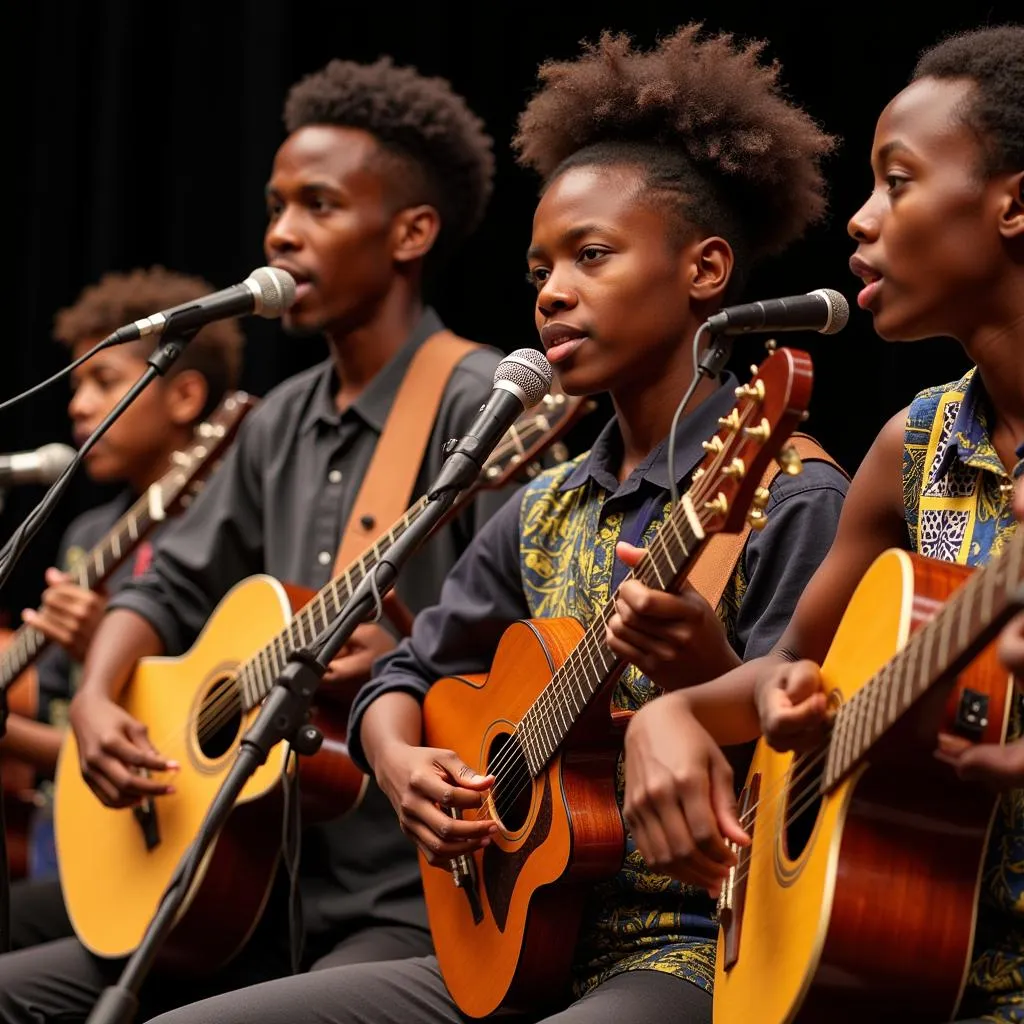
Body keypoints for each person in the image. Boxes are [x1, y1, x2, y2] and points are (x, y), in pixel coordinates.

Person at [144, 24, 849, 1024]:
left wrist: (702, 667)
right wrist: (397, 759)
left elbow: (818, 771)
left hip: (693, 948)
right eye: (539, 270)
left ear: (705, 269)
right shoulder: (546, 501)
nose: (553, 291)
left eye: (591, 257)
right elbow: (405, 672)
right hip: (504, 935)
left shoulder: (787, 493)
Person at [0, 55, 508, 1021]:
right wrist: (103, 701)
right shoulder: (275, 420)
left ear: (411, 232)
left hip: (404, 893)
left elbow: (538, 651)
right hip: (236, 880)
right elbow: (166, 592)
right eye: (276, 205)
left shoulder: (482, 405)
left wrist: (413, 670)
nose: (280, 232)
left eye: (318, 205)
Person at [619, 24, 1023, 1023]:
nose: (859, 219)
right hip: (914, 974)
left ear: (1014, 201)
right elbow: (788, 682)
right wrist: (673, 715)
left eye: (897, 180)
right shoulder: (911, 447)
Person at [0, 266, 243, 946]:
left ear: (186, 396)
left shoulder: (225, 529)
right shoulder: (86, 539)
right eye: (77, 384)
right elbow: (61, 733)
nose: (79, 406)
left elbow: (191, 726)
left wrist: (100, 659)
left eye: (105, 383)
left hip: (173, 839)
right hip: (70, 839)